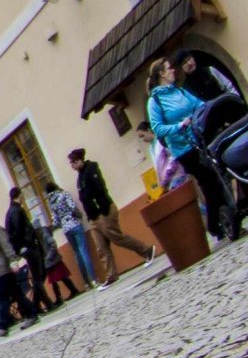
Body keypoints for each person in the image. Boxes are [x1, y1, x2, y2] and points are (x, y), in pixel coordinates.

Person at [146, 57, 240, 242]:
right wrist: (179, 125)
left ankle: (222, 219)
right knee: (209, 181)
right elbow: (157, 128)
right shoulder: (155, 101)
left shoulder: (180, 91)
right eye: (168, 68)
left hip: (200, 140)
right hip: (183, 149)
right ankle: (216, 224)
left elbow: (199, 105)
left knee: (216, 178)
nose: (173, 70)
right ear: (161, 75)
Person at [70, 147, 152, 283]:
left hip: (103, 211)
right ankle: (111, 275)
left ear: (80, 161)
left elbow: (99, 189)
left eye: (73, 162)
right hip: (93, 218)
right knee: (101, 248)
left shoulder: (91, 168)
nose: (72, 166)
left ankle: (147, 250)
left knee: (117, 238)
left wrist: (102, 209)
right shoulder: (80, 176)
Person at [2, 189, 48, 321]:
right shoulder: (16, 211)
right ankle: (46, 303)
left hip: (24, 247)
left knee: (37, 275)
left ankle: (37, 304)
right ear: (19, 195)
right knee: (38, 275)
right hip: (27, 247)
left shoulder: (11, 211)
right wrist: (27, 244)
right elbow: (18, 231)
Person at [44, 182, 94, 289]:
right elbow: (72, 207)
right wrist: (79, 215)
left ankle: (86, 283)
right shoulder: (63, 194)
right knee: (84, 251)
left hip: (66, 229)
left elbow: (55, 221)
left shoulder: (51, 202)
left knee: (77, 254)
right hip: (75, 224)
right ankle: (94, 279)